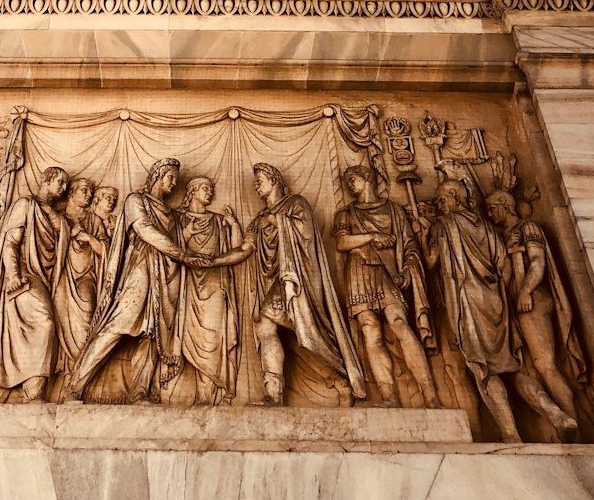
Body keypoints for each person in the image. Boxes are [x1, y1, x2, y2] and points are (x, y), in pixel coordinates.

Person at [420, 178, 576, 442]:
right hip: (496, 304)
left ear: (454, 197)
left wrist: (424, 234)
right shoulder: (488, 229)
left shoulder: (445, 226)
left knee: (484, 372)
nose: (439, 205)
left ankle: (511, 434)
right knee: (513, 370)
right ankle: (555, 414)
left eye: (441, 200)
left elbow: (432, 261)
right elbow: (504, 268)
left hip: (467, 305)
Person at [65, 158, 203, 403]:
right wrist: (182, 254)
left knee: (152, 334)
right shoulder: (135, 200)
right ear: (158, 175)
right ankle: (75, 387)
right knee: (116, 327)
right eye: (170, 177)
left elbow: (176, 236)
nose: (173, 183)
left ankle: (140, 392)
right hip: (140, 270)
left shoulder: (171, 213)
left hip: (166, 276)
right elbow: (145, 230)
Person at [247, 162, 366, 406]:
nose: (256, 185)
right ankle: (275, 394)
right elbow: (246, 247)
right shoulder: (260, 218)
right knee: (272, 326)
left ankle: (341, 377)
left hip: (298, 280)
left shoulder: (295, 203)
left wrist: (277, 220)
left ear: (274, 179)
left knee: (293, 327)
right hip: (277, 280)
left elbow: (307, 234)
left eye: (260, 179)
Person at [332, 165, 439, 408]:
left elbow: (409, 244)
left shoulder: (393, 210)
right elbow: (342, 242)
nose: (350, 184)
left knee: (400, 323)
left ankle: (430, 395)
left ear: (367, 178)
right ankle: (388, 396)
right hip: (359, 272)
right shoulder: (346, 214)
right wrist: (372, 237)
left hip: (389, 273)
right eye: (347, 181)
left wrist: (408, 271)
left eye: (353, 179)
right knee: (371, 331)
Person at [485, 189, 585, 422]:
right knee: (526, 370)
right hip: (515, 305)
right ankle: (559, 419)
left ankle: (576, 425)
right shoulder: (505, 234)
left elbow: (538, 262)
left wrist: (525, 292)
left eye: (492, 208)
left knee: (545, 364)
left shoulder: (527, 228)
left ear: (505, 204)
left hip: (532, 301)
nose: (489, 214)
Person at [0, 165, 71, 401]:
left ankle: (34, 391)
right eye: (60, 182)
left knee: (50, 327)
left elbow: (63, 230)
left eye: (66, 185)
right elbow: (11, 242)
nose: (64, 188)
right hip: (23, 276)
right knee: (45, 324)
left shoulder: (50, 213)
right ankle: (32, 391)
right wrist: (13, 275)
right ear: (46, 180)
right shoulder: (25, 205)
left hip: (43, 279)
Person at [176, 176, 242, 403]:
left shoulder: (216, 220)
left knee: (213, 336)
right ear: (192, 191)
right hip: (188, 285)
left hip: (215, 283)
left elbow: (236, 251)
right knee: (191, 338)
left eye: (211, 189)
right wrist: (185, 234)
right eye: (205, 188)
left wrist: (233, 225)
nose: (210, 193)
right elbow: (169, 250)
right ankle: (203, 395)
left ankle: (212, 394)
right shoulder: (179, 219)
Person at [54, 176, 104, 373]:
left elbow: (105, 250)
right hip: (61, 278)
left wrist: (89, 239)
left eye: (91, 191)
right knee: (58, 324)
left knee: (85, 320)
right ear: (71, 193)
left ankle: (80, 373)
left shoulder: (94, 220)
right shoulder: (57, 218)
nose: (89, 194)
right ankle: (66, 373)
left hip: (86, 278)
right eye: (84, 190)